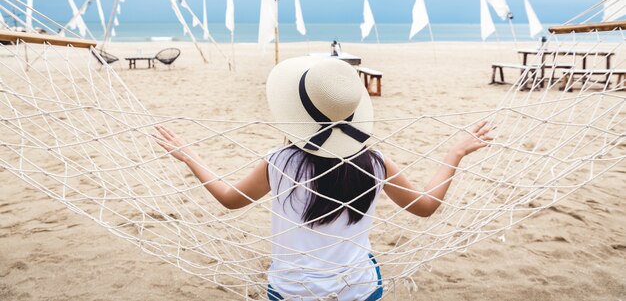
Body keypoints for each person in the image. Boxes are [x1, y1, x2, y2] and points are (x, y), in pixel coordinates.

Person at [153, 57, 493, 301]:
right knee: (365, 264)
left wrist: (189, 156)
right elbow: (425, 206)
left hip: (292, 290)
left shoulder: (279, 162)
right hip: (358, 288)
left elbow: (229, 198)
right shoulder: (375, 163)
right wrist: (455, 154)